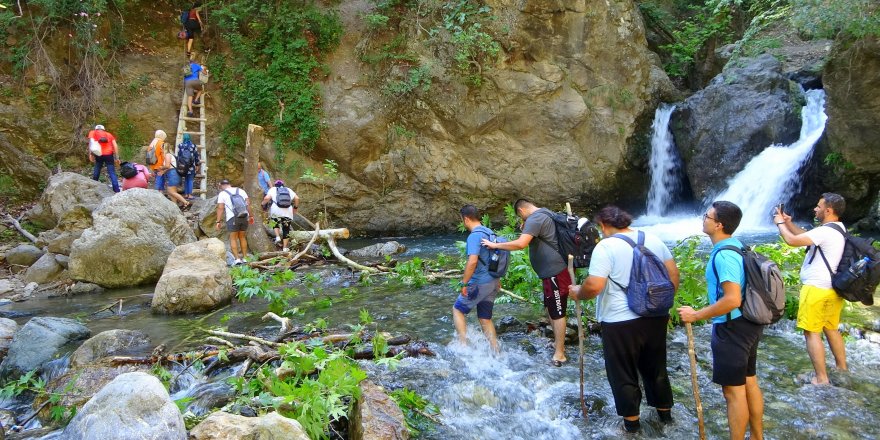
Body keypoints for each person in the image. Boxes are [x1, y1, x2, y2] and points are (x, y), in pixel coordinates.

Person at [568, 206, 678, 433]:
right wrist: (661, 305)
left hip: (620, 320)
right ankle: (665, 417)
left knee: (623, 371)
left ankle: (631, 424)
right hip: (656, 315)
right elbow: (673, 275)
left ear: (604, 225)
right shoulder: (654, 239)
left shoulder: (606, 246)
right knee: (656, 367)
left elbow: (595, 286)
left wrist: (578, 292)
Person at [678, 201, 764, 440]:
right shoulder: (737, 246)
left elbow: (732, 299)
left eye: (707, 216)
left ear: (719, 224)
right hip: (749, 323)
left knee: (733, 392)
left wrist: (696, 315)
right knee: (749, 382)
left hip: (732, 326)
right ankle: (757, 437)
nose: (703, 218)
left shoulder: (724, 256)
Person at [481, 198, 568, 365]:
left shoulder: (535, 218)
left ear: (521, 212)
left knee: (557, 311)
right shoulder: (546, 213)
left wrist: (495, 245)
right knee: (551, 308)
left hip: (555, 271)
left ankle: (560, 354)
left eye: (521, 219)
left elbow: (521, 244)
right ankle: (558, 344)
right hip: (553, 271)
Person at [774, 193, 848, 385]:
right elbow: (804, 236)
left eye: (818, 206)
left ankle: (821, 378)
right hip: (832, 289)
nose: (815, 209)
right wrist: (789, 223)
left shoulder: (824, 232)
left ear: (828, 210)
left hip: (816, 289)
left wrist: (780, 224)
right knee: (831, 328)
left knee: (811, 332)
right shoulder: (837, 228)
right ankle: (841, 367)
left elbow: (791, 241)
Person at [453, 205, 501, 353]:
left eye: (462, 220)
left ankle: (463, 346)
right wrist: (497, 279)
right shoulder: (490, 233)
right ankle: (496, 350)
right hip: (492, 282)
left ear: (466, 219)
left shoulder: (474, 236)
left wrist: (464, 282)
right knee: (485, 317)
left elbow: (473, 261)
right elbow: (496, 257)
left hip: (479, 282)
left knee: (458, 310)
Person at [216, 179, 254, 265]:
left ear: (221, 185)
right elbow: (248, 204)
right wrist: (251, 216)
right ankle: (245, 258)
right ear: (229, 184)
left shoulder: (222, 193)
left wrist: (218, 221)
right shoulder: (241, 191)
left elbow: (220, 208)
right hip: (244, 216)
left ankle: (237, 259)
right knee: (242, 237)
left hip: (232, 218)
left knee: (233, 238)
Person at [261, 180, 299, 252]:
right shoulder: (288, 190)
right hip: (288, 212)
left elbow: (266, 198)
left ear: (275, 185)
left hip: (276, 211)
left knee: (274, 222)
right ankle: (284, 248)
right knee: (286, 229)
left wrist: (262, 204)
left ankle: (277, 237)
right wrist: (295, 208)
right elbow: (297, 198)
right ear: (283, 185)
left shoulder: (273, 189)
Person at [87, 124, 120, 193]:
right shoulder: (109, 135)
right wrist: (117, 157)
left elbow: (91, 144)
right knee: (112, 172)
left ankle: (94, 186)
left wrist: (90, 154)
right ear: (104, 129)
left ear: (96, 129)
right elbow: (115, 146)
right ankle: (117, 190)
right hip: (109, 155)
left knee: (97, 169)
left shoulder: (92, 132)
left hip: (99, 155)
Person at [176, 133, 200, 200]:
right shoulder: (193, 145)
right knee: (190, 180)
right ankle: (190, 195)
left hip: (183, 166)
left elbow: (178, 156)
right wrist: (197, 165)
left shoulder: (180, 145)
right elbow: (196, 156)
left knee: (186, 179)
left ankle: (186, 194)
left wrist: (178, 165)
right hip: (191, 166)